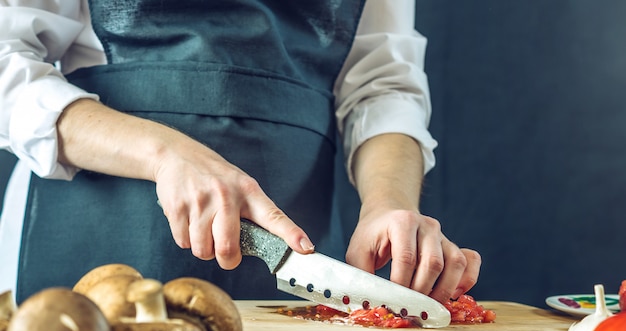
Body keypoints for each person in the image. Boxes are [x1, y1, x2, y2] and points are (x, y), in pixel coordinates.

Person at [0, 0, 480, 304]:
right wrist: (164, 153)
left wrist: (390, 203)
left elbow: (383, 85)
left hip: (295, 231)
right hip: (92, 223)